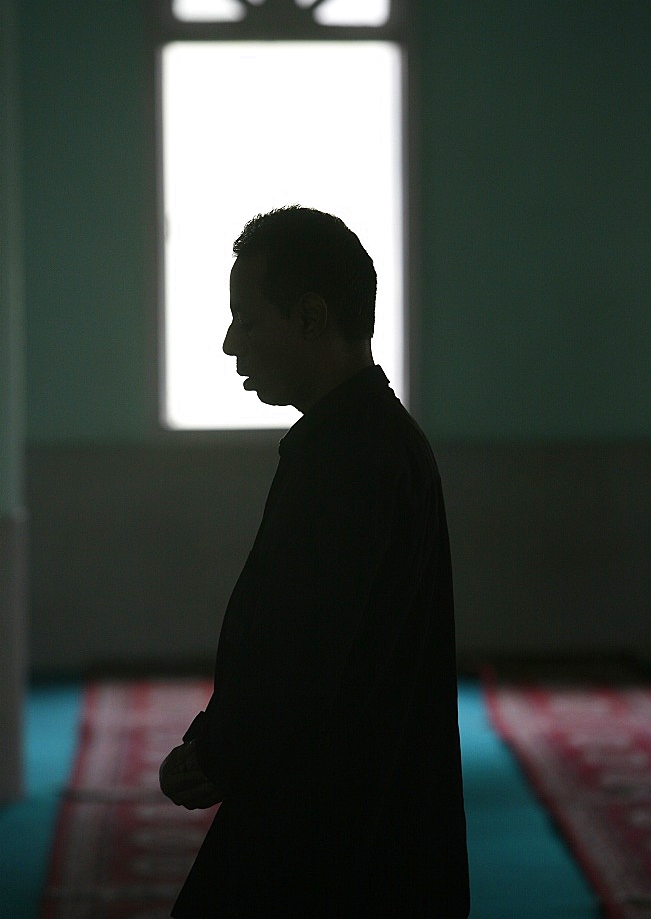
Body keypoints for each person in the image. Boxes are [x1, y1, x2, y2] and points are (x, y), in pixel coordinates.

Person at [159, 206, 470, 918]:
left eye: (248, 317)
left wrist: (218, 752)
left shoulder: (351, 458)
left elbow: (305, 648)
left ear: (309, 316)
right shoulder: (362, 440)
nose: (232, 343)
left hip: (333, 818)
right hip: (356, 803)